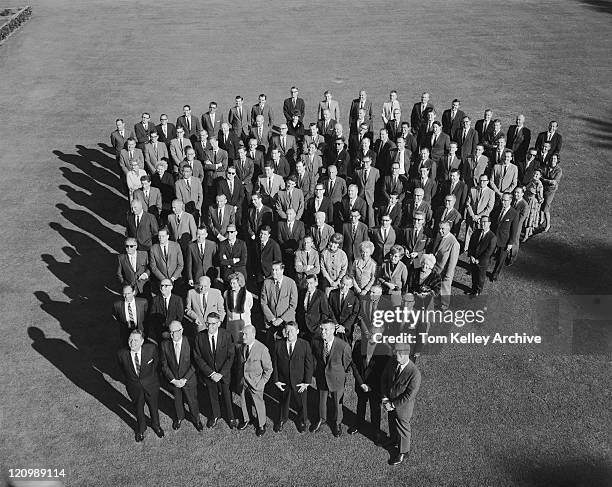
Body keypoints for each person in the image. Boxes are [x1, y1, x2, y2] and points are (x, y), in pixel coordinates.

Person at [117, 329, 164, 442]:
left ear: (142, 341)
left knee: (153, 407)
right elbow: (123, 370)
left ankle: (156, 425)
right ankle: (141, 429)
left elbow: (156, 365)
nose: (133, 343)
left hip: (151, 386)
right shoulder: (122, 354)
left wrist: (151, 379)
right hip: (134, 388)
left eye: (136, 340)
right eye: (130, 339)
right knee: (138, 409)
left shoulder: (151, 349)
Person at [194, 312, 238, 429]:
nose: (210, 327)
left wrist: (221, 373)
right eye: (208, 323)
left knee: (227, 395)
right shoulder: (200, 337)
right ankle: (215, 415)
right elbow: (198, 357)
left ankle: (231, 417)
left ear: (219, 323)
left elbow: (231, 356)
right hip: (210, 375)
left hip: (224, 374)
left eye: (213, 324)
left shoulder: (227, 335)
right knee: (212, 395)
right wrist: (211, 373)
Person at [381, 343, 421, 466]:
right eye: (395, 352)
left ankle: (404, 451)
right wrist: (385, 399)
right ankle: (393, 440)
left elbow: (409, 396)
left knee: (403, 428)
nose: (395, 354)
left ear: (405, 354)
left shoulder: (414, 373)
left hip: (402, 408)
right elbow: (384, 379)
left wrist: (392, 405)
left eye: (398, 353)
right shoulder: (392, 362)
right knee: (392, 422)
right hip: (389, 402)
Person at [349, 328, 392, 443]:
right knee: (361, 404)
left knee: (375, 409)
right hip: (361, 383)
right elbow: (354, 364)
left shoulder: (385, 350)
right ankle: (358, 424)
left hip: (375, 386)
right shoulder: (358, 344)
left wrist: (370, 386)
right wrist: (361, 383)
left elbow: (382, 373)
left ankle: (376, 432)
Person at [310, 322, 352, 437]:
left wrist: (338, 372)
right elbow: (314, 358)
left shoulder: (343, 346)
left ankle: (337, 423)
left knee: (337, 403)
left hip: (337, 378)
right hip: (321, 378)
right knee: (322, 400)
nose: (323, 332)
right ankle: (322, 419)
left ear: (333, 330)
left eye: (326, 330)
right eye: (321, 329)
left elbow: (347, 364)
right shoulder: (316, 342)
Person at [160, 321, 203, 432]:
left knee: (192, 400)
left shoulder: (190, 342)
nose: (173, 335)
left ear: (182, 330)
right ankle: (179, 418)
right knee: (177, 401)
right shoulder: (165, 345)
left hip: (188, 379)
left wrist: (184, 379)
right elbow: (164, 366)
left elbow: (195, 363)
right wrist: (174, 380)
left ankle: (196, 419)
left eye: (176, 332)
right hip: (174, 380)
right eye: (171, 332)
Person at [272, 322, 313, 433]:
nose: (289, 333)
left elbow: (309, 364)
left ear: (297, 331)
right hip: (283, 381)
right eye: (287, 331)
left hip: (299, 382)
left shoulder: (304, 345)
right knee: (283, 402)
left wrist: (307, 382)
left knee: (301, 403)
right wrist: (276, 380)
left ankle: (302, 421)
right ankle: (282, 419)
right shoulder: (278, 345)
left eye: (292, 331)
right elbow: (274, 364)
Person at [233, 325, 272, 436]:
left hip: (256, 383)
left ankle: (261, 424)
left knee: (258, 403)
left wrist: (262, 382)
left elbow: (269, 369)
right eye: (242, 334)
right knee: (244, 401)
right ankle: (247, 419)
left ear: (253, 335)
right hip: (243, 382)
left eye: (246, 334)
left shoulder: (262, 349)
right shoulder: (242, 347)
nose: (243, 336)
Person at [260, 262, 298, 343]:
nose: (274, 272)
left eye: (276, 270)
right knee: (270, 343)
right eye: (273, 270)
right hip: (271, 320)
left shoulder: (291, 283)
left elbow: (293, 305)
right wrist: (273, 319)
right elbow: (263, 303)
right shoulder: (266, 282)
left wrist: (281, 319)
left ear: (282, 270)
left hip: (287, 320)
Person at [429, 221, 460, 309]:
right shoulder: (439, 236)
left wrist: (448, 275)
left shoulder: (454, 243)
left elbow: (452, 263)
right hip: (436, 267)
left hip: (444, 270)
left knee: (445, 287)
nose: (440, 231)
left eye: (443, 229)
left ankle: (445, 304)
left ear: (449, 229)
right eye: (439, 228)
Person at [490, 193, 519, 282]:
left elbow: (514, 230)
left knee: (501, 259)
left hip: (504, 240)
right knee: (488, 254)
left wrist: (510, 243)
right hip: (493, 236)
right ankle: (480, 268)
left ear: (510, 200)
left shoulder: (514, 213)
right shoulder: (497, 208)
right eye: (502, 200)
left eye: (505, 200)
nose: (503, 202)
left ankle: (495, 274)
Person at [464, 174, 496, 252]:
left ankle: (477, 250)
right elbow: (468, 203)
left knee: (480, 235)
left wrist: (478, 216)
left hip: (483, 218)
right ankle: (466, 249)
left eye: (484, 181)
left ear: (488, 181)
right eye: (480, 180)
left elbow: (489, 208)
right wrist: (472, 215)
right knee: (469, 232)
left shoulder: (491, 193)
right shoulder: (473, 189)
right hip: (472, 216)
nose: (482, 182)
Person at [467, 216, 497, 296]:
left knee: (480, 278)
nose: (482, 224)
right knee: (474, 276)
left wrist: (479, 260)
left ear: (489, 223)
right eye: (481, 222)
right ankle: (473, 290)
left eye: (484, 222)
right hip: (473, 259)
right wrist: (471, 255)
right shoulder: (477, 232)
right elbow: (471, 244)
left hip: (482, 262)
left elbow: (489, 252)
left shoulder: (492, 237)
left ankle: (478, 292)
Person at [297, 274, 331, 340]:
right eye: (307, 283)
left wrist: (319, 327)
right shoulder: (301, 293)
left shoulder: (321, 295)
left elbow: (325, 313)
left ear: (316, 283)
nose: (309, 286)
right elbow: (299, 309)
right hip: (302, 328)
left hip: (315, 330)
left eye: (311, 283)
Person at [328, 275, 361, 344]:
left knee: (346, 348)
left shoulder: (354, 297)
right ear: (340, 282)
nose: (344, 286)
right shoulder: (333, 293)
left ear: (351, 286)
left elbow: (354, 313)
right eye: (343, 283)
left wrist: (344, 326)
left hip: (347, 329)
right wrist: (336, 324)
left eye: (347, 285)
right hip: (334, 327)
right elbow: (330, 309)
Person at [224, 272, 254, 342]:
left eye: (234, 283)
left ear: (239, 283)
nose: (232, 285)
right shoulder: (226, 293)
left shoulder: (248, 295)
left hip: (244, 323)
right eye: (230, 283)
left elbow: (250, 305)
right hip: (232, 323)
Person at [277, 208, 306, 273]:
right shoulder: (280, 224)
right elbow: (279, 238)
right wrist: (286, 248)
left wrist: (296, 250)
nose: (288, 216)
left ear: (295, 215)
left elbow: (302, 238)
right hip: (285, 252)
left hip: (297, 252)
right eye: (287, 214)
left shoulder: (300, 224)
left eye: (290, 214)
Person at [540, 153, 562, 232]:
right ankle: (541, 219)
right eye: (552, 158)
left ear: (557, 160)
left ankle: (548, 224)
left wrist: (544, 180)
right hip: (543, 188)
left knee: (546, 207)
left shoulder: (559, 170)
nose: (553, 160)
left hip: (550, 191)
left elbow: (554, 182)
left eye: (555, 159)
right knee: (541, 203)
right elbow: (541, 175)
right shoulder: (546, 167)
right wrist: (547, 180)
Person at [523, 169, 544, 241]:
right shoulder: (532, 181)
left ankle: (526, 236)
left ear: (540, 176)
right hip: (528, 201)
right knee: (527, 217)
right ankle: (530, 232)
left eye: (537, 174)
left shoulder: (539, 184)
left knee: (529, 218)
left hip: (533, 203)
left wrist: (535, 194)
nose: (535, 175)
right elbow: (526, 187)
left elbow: (540, 197)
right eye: (534, 173)